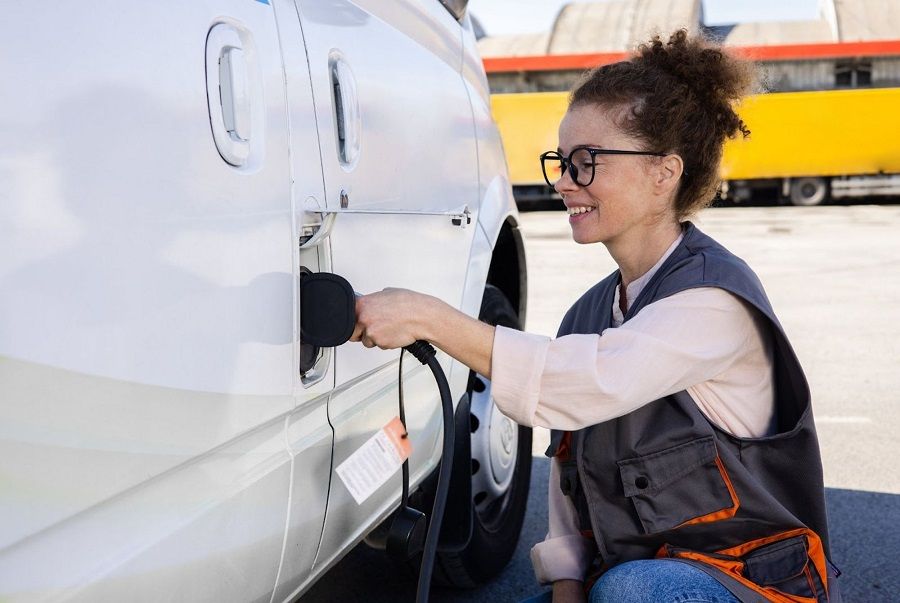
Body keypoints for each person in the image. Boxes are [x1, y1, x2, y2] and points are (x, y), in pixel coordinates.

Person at [350, 30, 840, 603]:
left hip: (749, 580)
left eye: (586, 163)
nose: (562, 182)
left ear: (664, 173)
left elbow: (582, 383)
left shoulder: (714, 301)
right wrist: (565, 585)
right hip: (630, 579)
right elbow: (568, 481)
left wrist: (429, 317)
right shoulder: (587, 313)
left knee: (634, 591)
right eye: (561, 161)